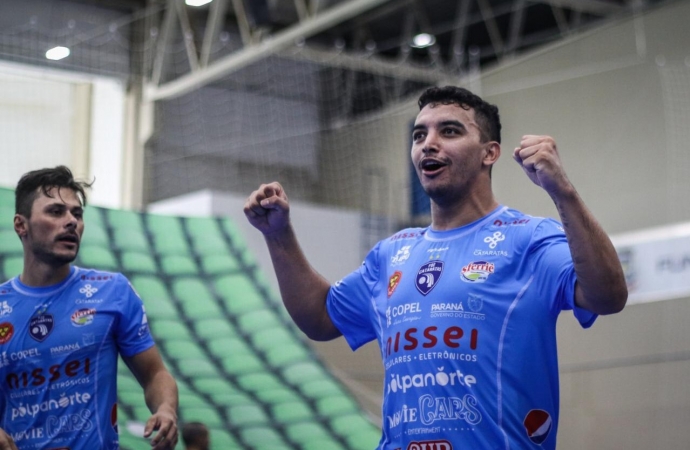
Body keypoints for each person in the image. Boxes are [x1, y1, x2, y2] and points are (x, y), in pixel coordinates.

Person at [244, 86, 627, 449]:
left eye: (449, 131)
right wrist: (278, 235)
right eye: (418, 135)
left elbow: (608, 296)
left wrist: (563, 190)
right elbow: (319, 318)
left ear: (489, 153)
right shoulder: (390, 254)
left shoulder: (529, 238)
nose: (429, 143)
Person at [0, 166, 178, 450]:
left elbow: (155, 374)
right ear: (21, 225)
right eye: (56, 212)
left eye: (77, 214)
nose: (71, 221)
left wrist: (166, 409)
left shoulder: (112, 291)